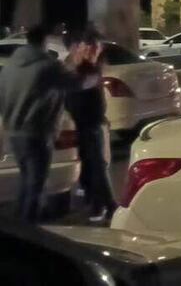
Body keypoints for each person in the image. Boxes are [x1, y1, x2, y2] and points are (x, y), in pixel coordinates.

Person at [0, 25, 100, 222]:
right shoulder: (47, 66)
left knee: (27, 180)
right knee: (36, 184)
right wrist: (94, 74)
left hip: (13, 132)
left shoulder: (11, 66)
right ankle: (29, 228)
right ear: (44, 41)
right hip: (36, 132)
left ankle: (20, 222)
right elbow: (77, 84)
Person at [64, 31, 117, 222]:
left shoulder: (89, 71)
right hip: (83, 124)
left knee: (96, 166)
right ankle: (99, 204)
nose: (93, 51)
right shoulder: (79, 68)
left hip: (91, 124)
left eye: (96, 48)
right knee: (90, 166)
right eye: (89, 47)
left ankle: (107, 206)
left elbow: (82, 92)